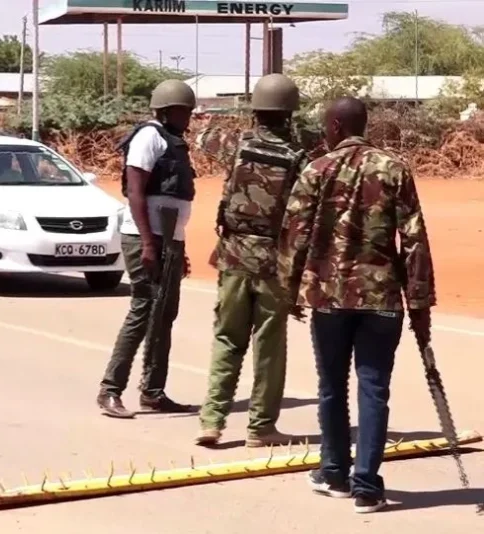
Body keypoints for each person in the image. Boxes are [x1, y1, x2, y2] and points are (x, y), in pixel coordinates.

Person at [278, 97, 436, 514]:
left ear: (335, 125)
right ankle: (365, 484)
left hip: (329, 299)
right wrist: (419, 302)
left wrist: (289, 289)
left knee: (331, 386)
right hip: (382, 299)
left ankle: (334, 473)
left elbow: (293, 235)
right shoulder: (393, 168)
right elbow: (415, 238)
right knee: (374, 388)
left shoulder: (316, 170)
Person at [195, 74, 308, 447]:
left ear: (256, 111)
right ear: (289, 113)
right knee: (269, 346)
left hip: (232, 256)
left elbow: (203, 138)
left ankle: (212, 421)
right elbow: (302, 216)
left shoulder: (237, 145)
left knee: (227, 338)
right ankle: (260, 428)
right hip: (273, 262)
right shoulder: (298, 158)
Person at [96, 79, 197, 419]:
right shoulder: (148, 137)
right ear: (168, 110)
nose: (189, 117)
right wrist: (150, 244)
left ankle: (153, 392)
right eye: (185, 111)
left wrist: (176, 249)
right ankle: (110, 390)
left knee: (164, 317)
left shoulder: (173, 141)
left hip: (168, 238)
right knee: (142, 311)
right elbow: (135, 192)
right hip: (146, 237)